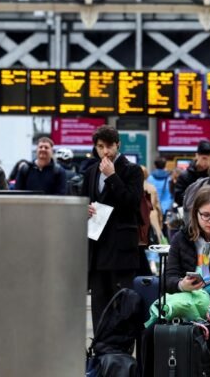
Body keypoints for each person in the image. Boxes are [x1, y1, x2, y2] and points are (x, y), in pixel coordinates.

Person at [141, 186, 210, 376]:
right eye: (206, 215)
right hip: (186, 300)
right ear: (195, 213)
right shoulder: (182, 238)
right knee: (152, 333)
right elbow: (169, 277)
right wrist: (181, 285)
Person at [84, 125, 144, 330]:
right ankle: (101, 351)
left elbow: (132, 202)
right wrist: (84, 209)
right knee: (99, 306)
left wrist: (112, 177)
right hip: (98, 247)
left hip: (120, 251)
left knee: (121, 306)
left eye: (109, 146)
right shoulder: (91, 171)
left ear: (118, 145)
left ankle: (121, 353)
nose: (105, 151)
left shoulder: (132, 170)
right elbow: (84, 200)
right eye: (101, 146)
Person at [172, 140, 210, 208]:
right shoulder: (184, 176)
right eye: (204, 158)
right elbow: (178, 198)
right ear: (197, 156)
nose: (207, 162)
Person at [147, 157, 173, 229]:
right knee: (166, 230)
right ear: (165, 166)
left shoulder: (150, 178)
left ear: (155, 166)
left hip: (154, 208)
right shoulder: (169, 178)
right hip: (166, 208)